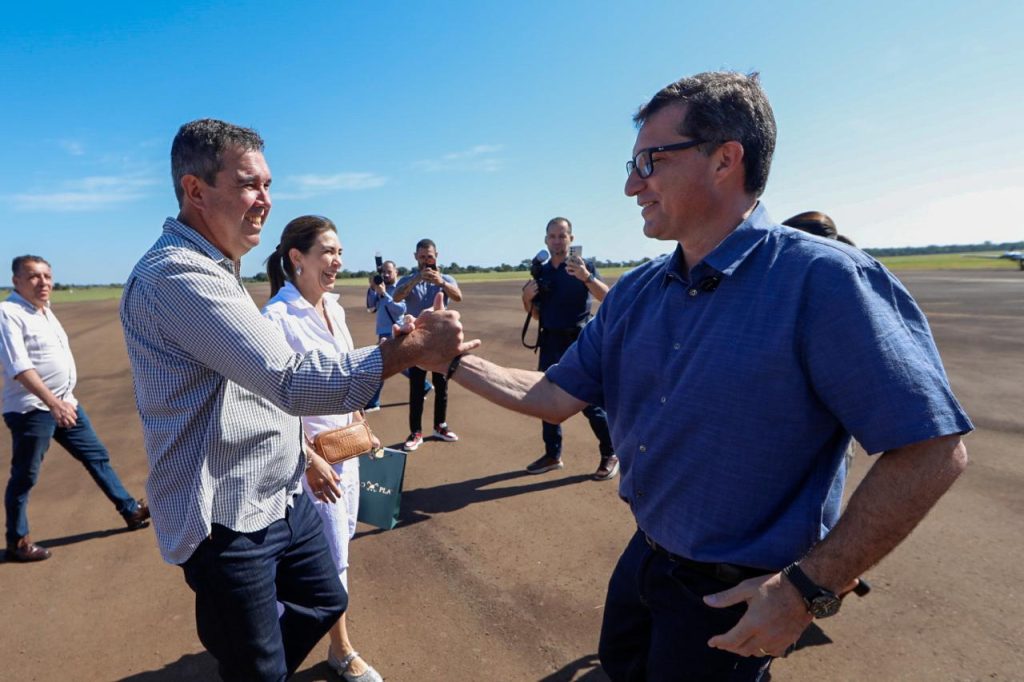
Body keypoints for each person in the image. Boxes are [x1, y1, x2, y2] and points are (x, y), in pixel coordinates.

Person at [439, 72, 972, 680]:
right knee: (619, 665)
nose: (630, 184)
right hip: (646, 558)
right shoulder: (637, 291)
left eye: (650, 161)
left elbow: (933, 450)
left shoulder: (823, 282)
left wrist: (807, 590)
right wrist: (451, 360)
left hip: (733, 593)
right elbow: (556, 394)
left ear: (725, 159)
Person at [119, 119, 473, 681]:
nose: (265, 200)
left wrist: (305, 452)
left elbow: (256, 392)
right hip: (225, 511)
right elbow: (287, 379)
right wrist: (406, 352)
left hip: (279, 487)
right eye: (249, 185)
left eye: (267, 184)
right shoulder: (178, 275)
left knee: (325, 598)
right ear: (194, 190)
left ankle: (257, 663)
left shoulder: (218, 269)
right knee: (255, 663)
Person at [262, 215, 383, 682]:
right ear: (297, 258)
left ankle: (280, 639)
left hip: (345, 451)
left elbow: (344, 377)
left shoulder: (334, 307)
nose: (337, 261)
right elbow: (270, 401)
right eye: (328, 252)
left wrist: (359, 422)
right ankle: (341, 650)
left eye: (339, 252)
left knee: (341, 550)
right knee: (328, 561)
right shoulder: (276, 318)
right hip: (311, 462)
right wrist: (309, 459)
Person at [1, 255, 150, 563]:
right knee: (25, 477)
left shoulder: (45, 311)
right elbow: (19, 367)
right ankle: (18, 541)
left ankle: (130, 511)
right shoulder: (9, 313)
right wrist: (53, 403)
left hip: (66, 403)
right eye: (33, 277)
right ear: (16, 281)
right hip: (33, 410)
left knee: (97, 457)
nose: (43, 282)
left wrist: (62, 401)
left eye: (46, 276)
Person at [520, 217, 617, 480]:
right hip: (550, 340)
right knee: (546, 398)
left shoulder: (583, 267)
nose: (557, 241)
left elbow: (608, 298)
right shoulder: (542, 272)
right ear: (545, 240)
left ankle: (610, 453)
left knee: (589, 401)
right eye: (552, 236)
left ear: (571, 239)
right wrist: (526, 299)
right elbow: (537, 315)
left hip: (579, 340)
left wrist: (586, 278)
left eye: (562, 236)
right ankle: (553, 454)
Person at [392, 239, 464, 451]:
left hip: (442, 342)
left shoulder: (447, 278)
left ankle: (440, 426)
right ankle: (415, 432)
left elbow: (458, 297)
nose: (426, 261)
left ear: (436, 255)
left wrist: (441, 282)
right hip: (416, 342)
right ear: (415, 257)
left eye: (429, 256)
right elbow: (396, 296)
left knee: (442, 386)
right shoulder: (408, 279)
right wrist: (415, 280)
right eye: (422, 257)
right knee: (416, 388)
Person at [363, 259, 420, 412]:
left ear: (396, 272)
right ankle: (423, 385)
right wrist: (372, 289)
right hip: (382, 331)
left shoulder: (400, 289)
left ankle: (373, 402)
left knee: (382, 365)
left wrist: (384, 294)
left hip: (395, 330)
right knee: (397, 364)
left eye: (389, 271)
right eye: (384, 272)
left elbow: (400, 309)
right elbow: (370, 307)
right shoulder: (382, 288)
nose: (386, 275)